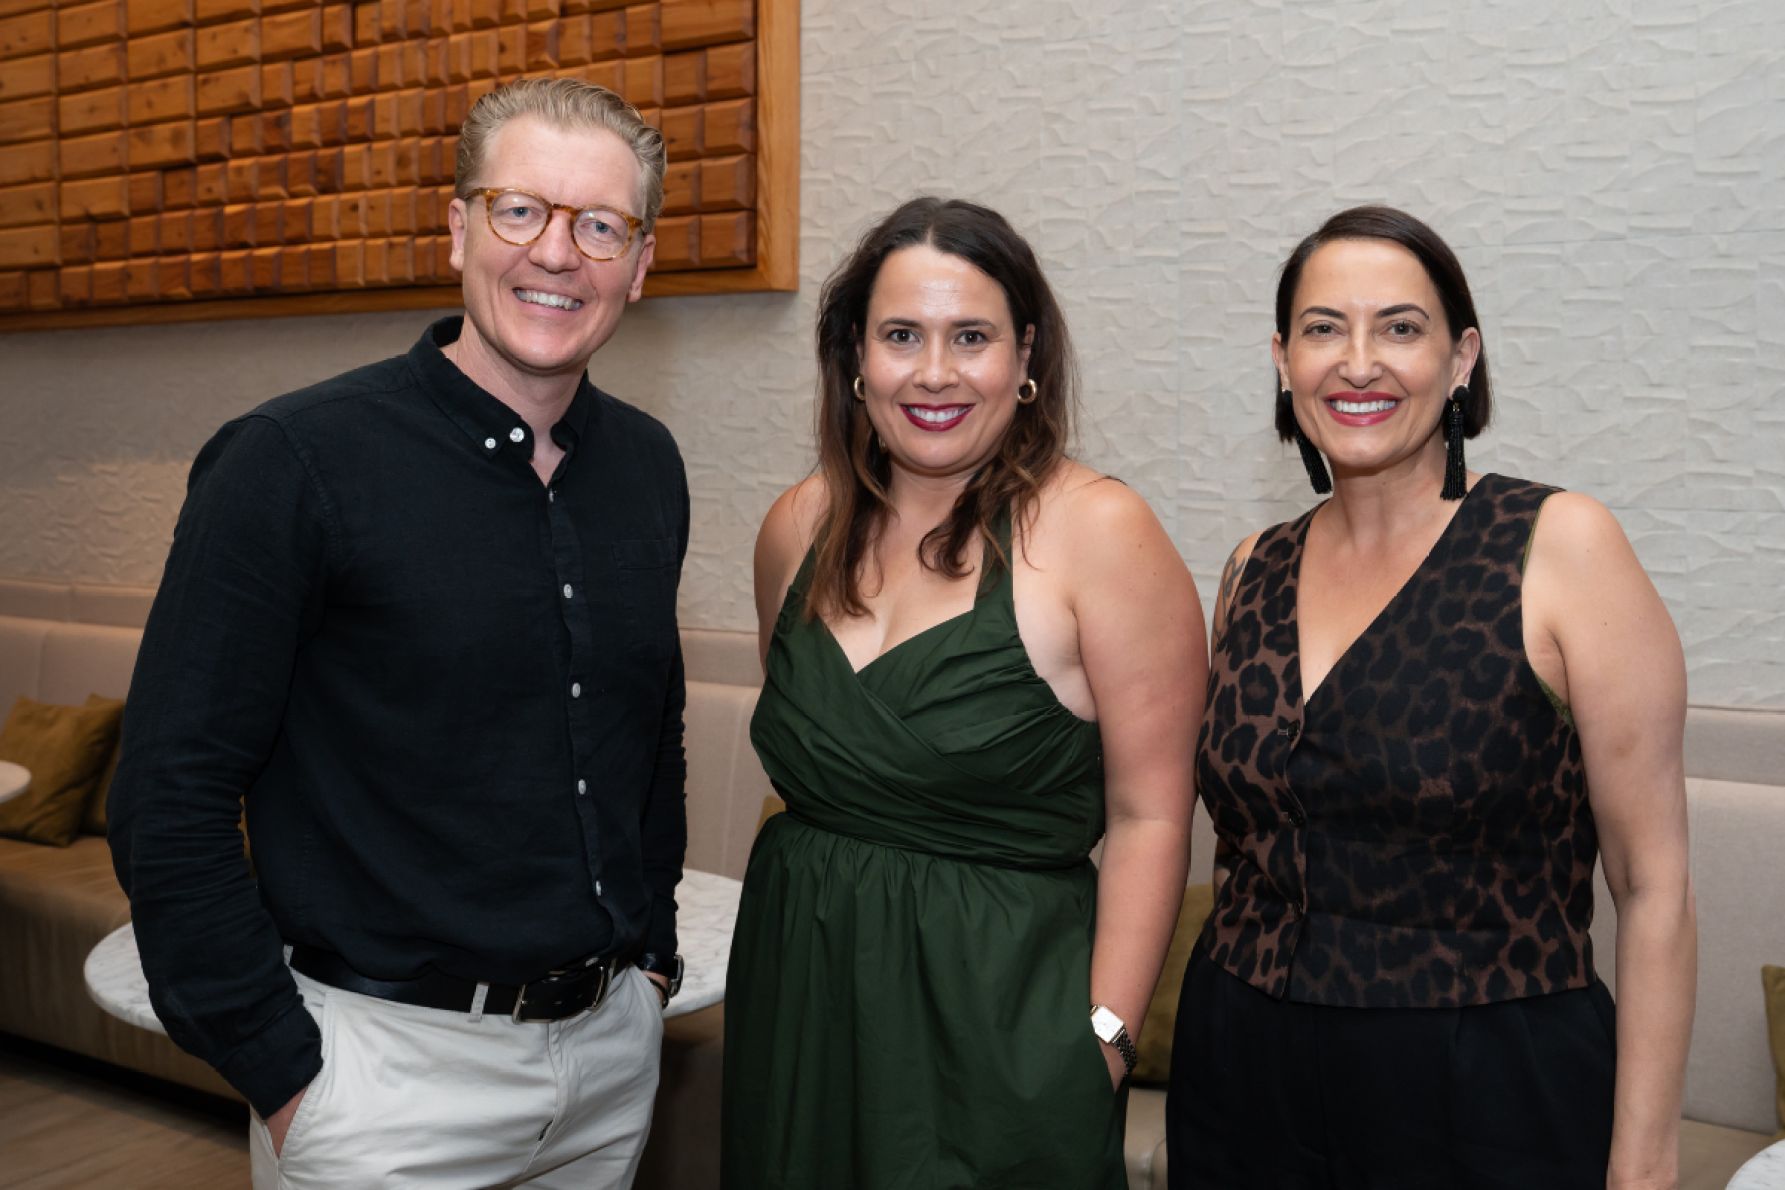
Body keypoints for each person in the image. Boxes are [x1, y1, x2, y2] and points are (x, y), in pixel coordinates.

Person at [107, 77, 689, 1188]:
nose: (557, 254)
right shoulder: (292, 462)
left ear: (641, 263)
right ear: (459, 225)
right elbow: (167, 793)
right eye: (521, 210)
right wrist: (283, 1071)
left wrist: (649, 962)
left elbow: (644, 733)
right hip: (381, 1078)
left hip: (608, 1059)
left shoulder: (648, 467)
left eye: (600, 226)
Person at [1167, 205, 1696, 1188]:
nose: (1358, 361)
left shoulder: (1559, 545)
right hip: (1242, 1066)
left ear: (1461, 360)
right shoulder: (1251, 566)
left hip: (1487, 1083)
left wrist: (1647, 1159)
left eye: (1400, 327)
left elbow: (1654, 882)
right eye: (1324, 328)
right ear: (1283, 360)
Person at [723, 196, 1207, 1188]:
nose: (934, 371)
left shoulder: (1100, 532)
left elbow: (1152, 811)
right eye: (901, 334)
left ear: (1025, 355)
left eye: (971, 336)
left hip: (999, 1026)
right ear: (854, 357)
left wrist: (1105, 1036)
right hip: (800, 1001)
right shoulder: (794, 526)